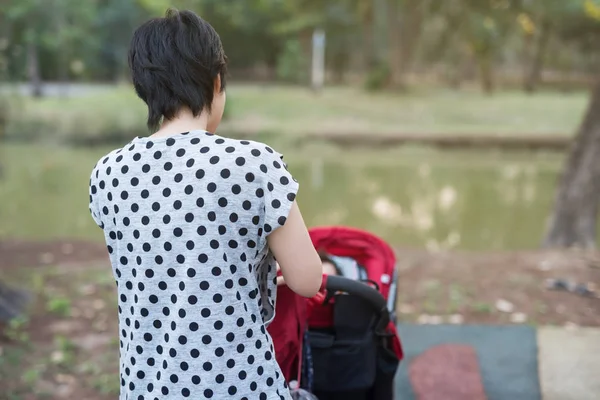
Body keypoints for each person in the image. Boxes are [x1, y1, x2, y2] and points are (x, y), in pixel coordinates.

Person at [87, 9, 322, 400]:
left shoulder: (107, 173)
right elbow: (307, 279)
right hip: (242, 387)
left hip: (147, 387)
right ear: (216, 82)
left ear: (144, 88)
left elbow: (164, 254)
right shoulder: (254, 164)